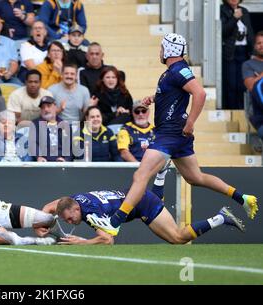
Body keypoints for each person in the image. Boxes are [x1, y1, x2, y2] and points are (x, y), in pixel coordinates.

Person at [105, 33, 258, 237]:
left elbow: (200, 94)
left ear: (169, 49)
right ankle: (242, 198)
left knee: (140, 175)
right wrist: (154, 98)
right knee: (195, 177)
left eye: (162, 48)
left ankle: (114, 222)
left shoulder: (179, 69)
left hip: (170, 133)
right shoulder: (170, 72)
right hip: (175, 135)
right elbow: (174, 95)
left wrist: (191, 122)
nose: (159, 51)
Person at [38, 189, 245, 245]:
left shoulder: (91, 214)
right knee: (176, 238)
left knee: (177, 238)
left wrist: (80, 242)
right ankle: (160, 178)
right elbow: (49, 206)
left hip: (144, 203)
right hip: (136, 197)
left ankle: (220, 217)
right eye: (65, 220)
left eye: (69, 218)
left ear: (76, 210)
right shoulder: (73, 200)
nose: (69, 222)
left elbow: (108, 240)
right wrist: (40, 224)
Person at [221, 0, 254, 110]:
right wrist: (234, 18)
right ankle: (232, 110)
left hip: (244, 52)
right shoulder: (222, 10)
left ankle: (242, 110)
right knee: (231, 84)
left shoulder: (244, 11)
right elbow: (223, 31)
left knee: (242, 84)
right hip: (230, 52)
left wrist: (253, 52)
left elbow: (250, 33)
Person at [30, 95, 72, 162]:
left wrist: (66, 159)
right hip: (43, 162)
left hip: (61, 162)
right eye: (43, 108)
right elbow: (33, 143)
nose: (46, 109)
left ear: (55, 107)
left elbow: (70, 147)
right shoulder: (35, 124)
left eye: (49, 106)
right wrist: (38, 157)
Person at [243, 31, 263, 143]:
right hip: (257, 113)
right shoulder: (248, 65)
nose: (262, 45)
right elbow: (251, 86)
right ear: (255, 46)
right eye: (259, 43)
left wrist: (258, 76)